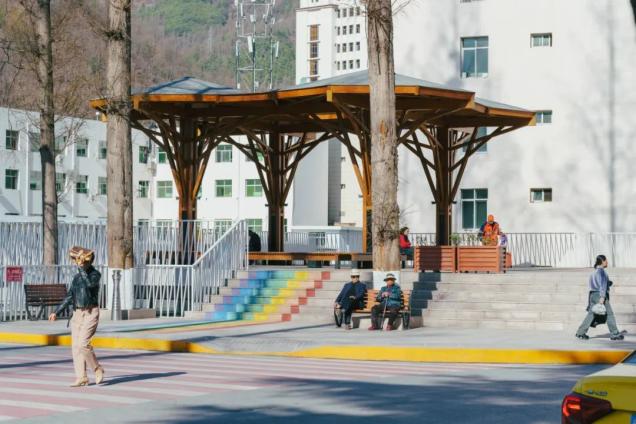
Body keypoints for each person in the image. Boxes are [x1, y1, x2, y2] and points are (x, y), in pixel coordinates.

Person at [49, 246, 105, 387]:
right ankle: (81, 377)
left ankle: (97, 369)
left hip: (90, 312)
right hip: (77, 314)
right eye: (79, 261)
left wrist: (81, 269)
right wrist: (56, 311)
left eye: (83, 261)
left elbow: (89, 286)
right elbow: (69, 297)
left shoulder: (95, 275)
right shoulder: (76, 278)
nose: (80, 263)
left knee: (83, 344)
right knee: (76, 347)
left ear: (89, 262)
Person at [575, 255, 624, 341]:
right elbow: (602, 285)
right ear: (602, 261)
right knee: (609, 314)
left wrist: (608, 283)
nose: (607, 262)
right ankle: (615, 334)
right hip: (600, 295)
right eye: (606, 261)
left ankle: (580, 332)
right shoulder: (602, 272)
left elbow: (595, 284)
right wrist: (602, 297)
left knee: (591, 314)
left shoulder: (594, 272)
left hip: (592, 295)